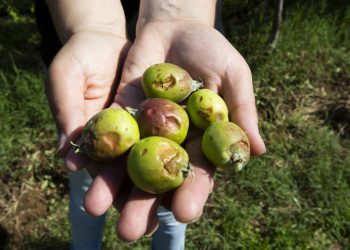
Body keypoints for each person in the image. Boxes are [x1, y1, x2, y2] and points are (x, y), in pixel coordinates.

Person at [35, 0, 266, 249]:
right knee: (87, 177)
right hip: (85, 45)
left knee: (171, 201)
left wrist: (181, 13)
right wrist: (91, 24)